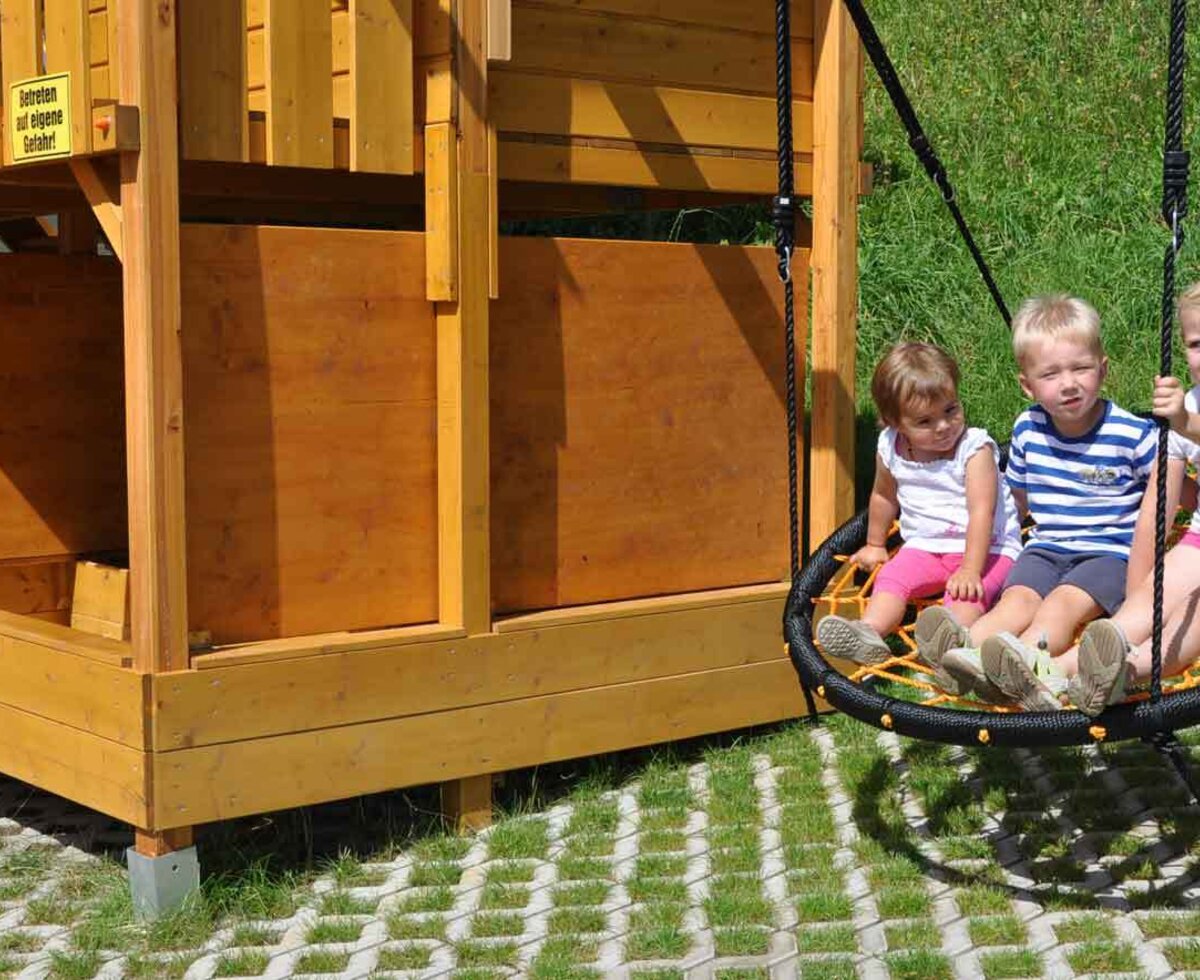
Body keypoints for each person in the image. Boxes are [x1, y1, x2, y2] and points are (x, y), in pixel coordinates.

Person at [930, 295, 1157, 708]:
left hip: (1109, 555)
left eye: (1081, 368)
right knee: (1016, 599)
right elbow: (1018, 496)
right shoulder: (1028, 429)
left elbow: (1171, 486)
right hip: (1046, 546)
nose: (1068, 383)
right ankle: (963, 656)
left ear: (1103, 369)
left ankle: (1027, 663)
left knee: (1060, 604)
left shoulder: (1132, 434)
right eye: (1050, 374)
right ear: (1027, 385)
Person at [985, 284, 1200, 715]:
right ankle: (1054, 672)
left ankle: (1129, 671)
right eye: (1196, 344)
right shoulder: (1187, 403)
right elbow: (1156, 509)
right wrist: (1134, 592)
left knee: (1189, 626)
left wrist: (1186, 423)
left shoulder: (1183, 413)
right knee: (1142, 609)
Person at [816, 342, 1022, 682]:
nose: (943, 426)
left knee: (964, 597)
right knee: (892, 578)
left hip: (989, 549)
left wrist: (971, 570)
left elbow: (982, 512)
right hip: (926, 546)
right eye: (925, 421)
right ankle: (869, 633)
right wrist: (875, 543)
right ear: (895, 423)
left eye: (951, 410)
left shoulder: (975, 450)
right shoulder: (890, 446)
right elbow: (883, 495)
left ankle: (949, 646)